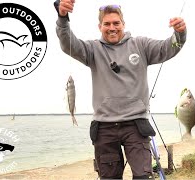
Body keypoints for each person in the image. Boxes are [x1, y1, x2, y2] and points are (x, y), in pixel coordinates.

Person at [55, 0, 187, 179]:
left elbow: (168, 48)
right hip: (104, 128)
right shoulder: (92, 49)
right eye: (107, 24)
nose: (112, 28)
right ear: (100, 26)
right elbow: (67, 43)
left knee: (143, 176)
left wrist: (179, 34)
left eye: (116, 23)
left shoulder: (141, 45)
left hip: (136, 126)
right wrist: (62, 18)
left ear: (123, 24)